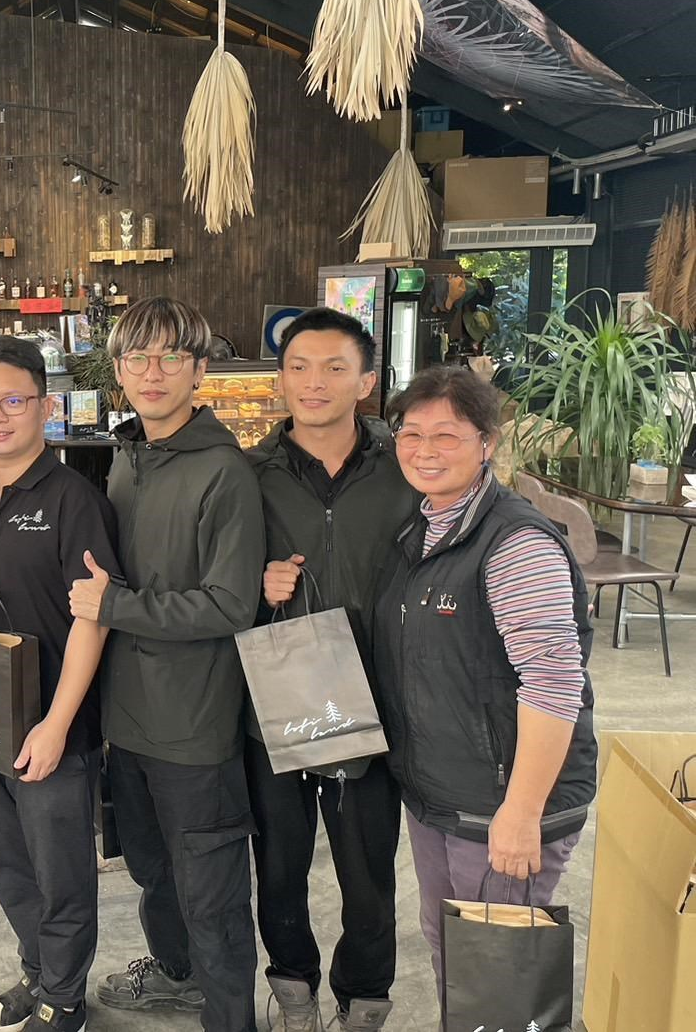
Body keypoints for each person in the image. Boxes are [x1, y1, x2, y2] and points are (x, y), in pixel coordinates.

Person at [69, 298, 266, 1032]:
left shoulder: (223, 471)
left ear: (199, 370)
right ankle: (178, 975)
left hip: (192, 724)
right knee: (153, 872)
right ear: (118, 372)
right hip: (126, 720)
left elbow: (229, 604)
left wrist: (115, 605)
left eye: (170, 357)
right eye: (137, 358)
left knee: (211, 893)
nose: (152, 373)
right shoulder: (126, 458)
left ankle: (230, 1018)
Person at [373, 364, 595, 1001]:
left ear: (487, 443)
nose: (425, 450)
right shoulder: (424, 529)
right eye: (411, 434)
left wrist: (521, 813)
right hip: (443, 794)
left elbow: (553, 682)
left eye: (447, 435)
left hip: (502, 804)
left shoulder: (515, 543)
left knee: (495, 974)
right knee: (454, 947)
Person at [245, 309, 416, 1032]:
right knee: (279, 869)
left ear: (366, 381)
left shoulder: (405, 469)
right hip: (276, 701)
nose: (314, 382)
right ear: (280, 379)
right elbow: (212, 575)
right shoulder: (248, 474)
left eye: (334, 367)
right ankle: (293, 992)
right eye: (299, 367)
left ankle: (364, 999)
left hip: (374, 702)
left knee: (368, 874)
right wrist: (257, 582)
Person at [0, 337, 120, 1032]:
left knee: (60, 872)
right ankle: (38, 972)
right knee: (6, 860)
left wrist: (56, 725)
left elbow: (94, 619)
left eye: (12, 401)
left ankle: (64, 998)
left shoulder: (75, 499)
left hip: (55, 722)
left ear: (45, 407)